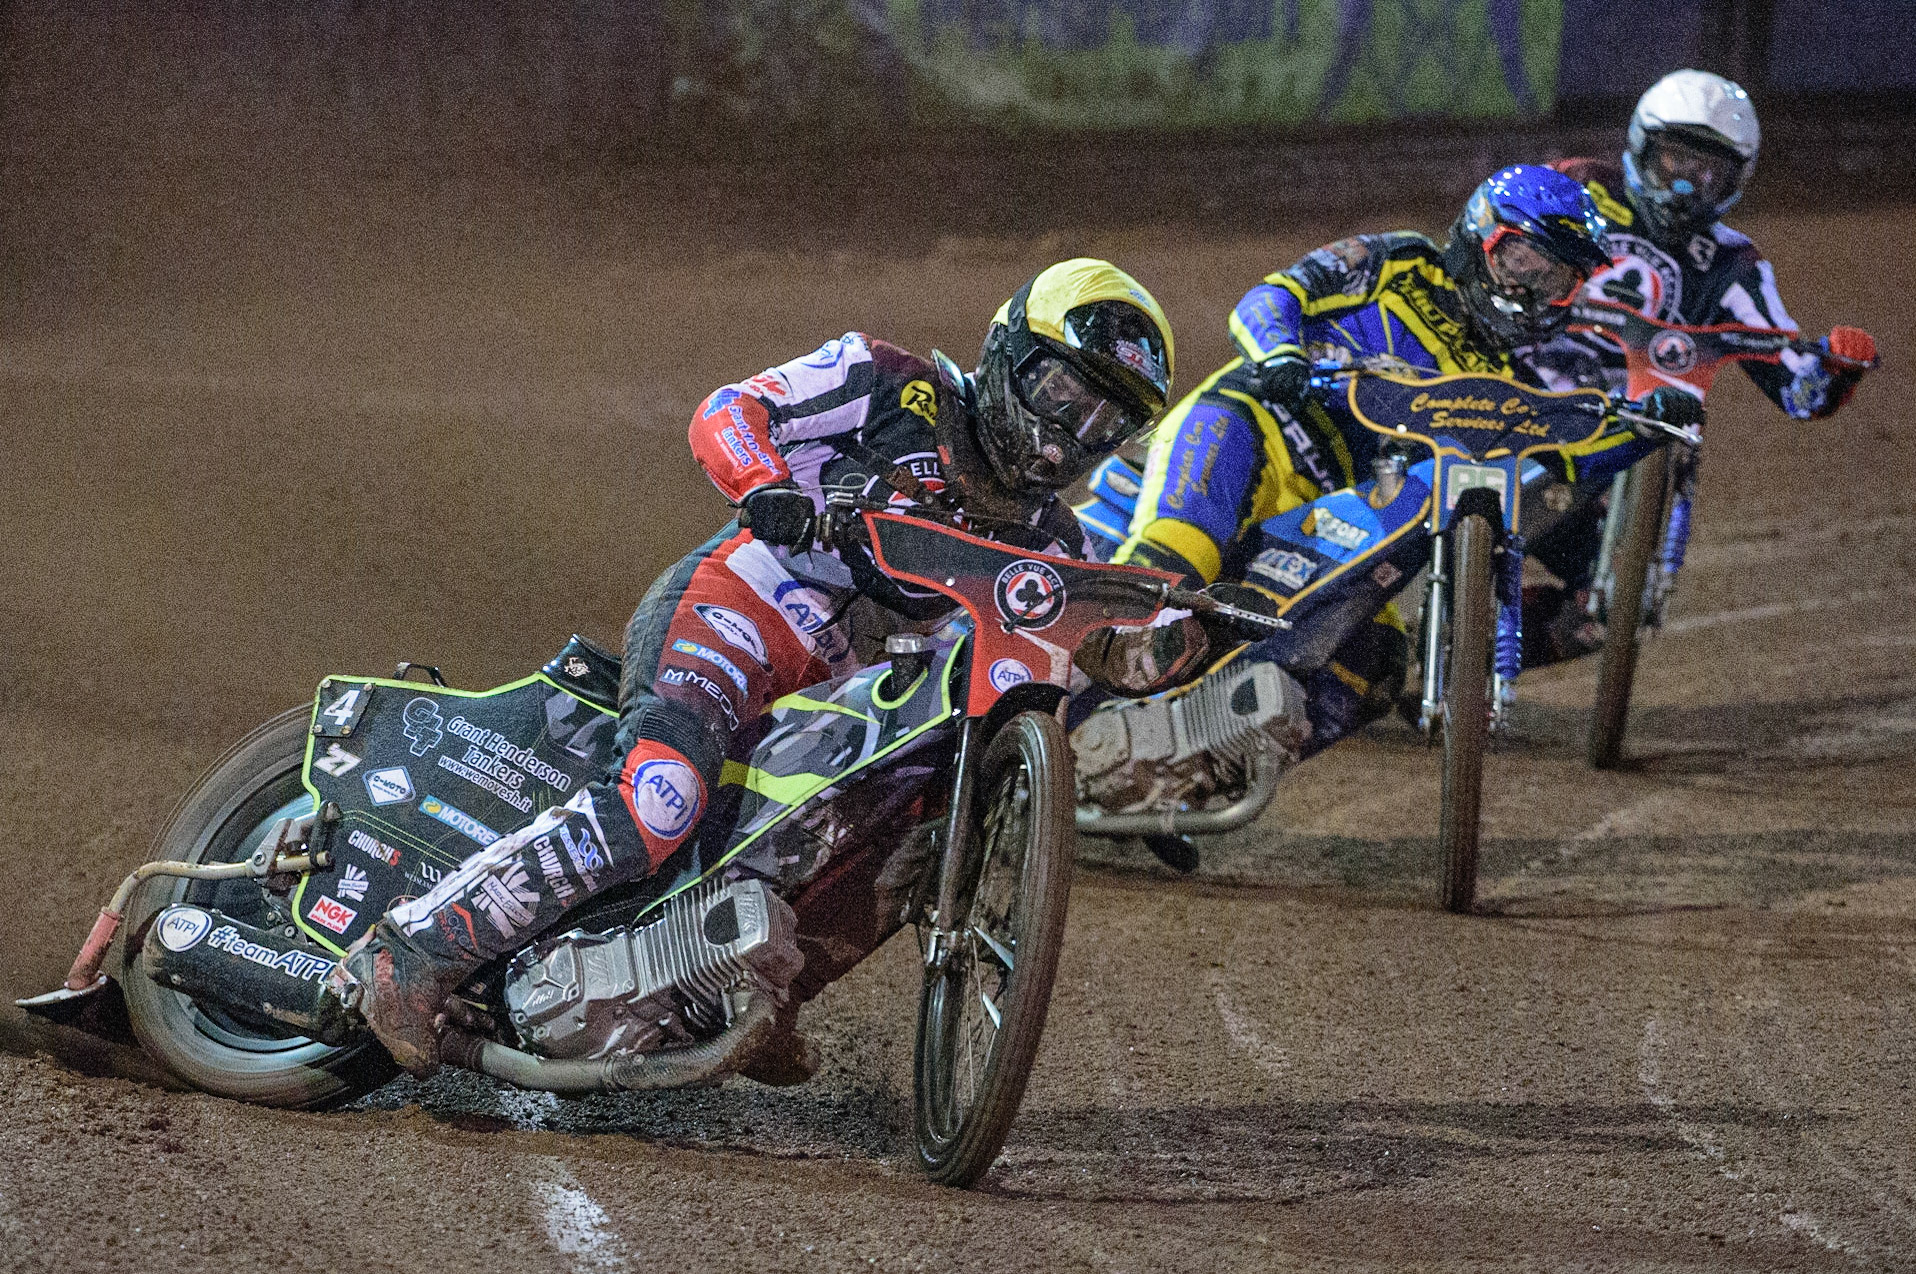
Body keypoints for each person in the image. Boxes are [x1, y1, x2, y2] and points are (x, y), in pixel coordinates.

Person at [334, 259, 1176, 1075]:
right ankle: (412, 948)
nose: (1072, 436)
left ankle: (746, 989)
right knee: (661, 798)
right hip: (744, 605)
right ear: (1007, 354)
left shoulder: (1057, 545)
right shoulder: (888, 381)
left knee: (915, 831)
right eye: (1062, 396)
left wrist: (1168, 635)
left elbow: (1096, 638)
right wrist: (764, 481)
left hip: (845, 696)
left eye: (1105, 424)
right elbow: (729, 410)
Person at [1079, 165, 1615, 753]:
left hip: (1337, 513)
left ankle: (1189, 763)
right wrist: (1280, 353)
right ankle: (1045, 710)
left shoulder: (1509, 383)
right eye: (1521, 263)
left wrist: (1652, 421)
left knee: (1374, 664)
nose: (1532, 291)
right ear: (1479, 236)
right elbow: (1274, 295)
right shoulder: (1400, 261)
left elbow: (1567, 467)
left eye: (1557, 277)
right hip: (1255, 426)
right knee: (1177, 560)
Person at [1519, 69, 1878, 661]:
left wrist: (1837, 368)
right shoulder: (1575, 188)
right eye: (1674, 161)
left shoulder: (1734, 263)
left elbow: (1796, 383)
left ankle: (1471, 649)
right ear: (1640, 148)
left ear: (1737, 179)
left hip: (1618, 437)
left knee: (1613, 612)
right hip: (1516, 386)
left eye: (1707, 173)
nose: (1687, 186)